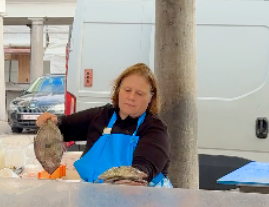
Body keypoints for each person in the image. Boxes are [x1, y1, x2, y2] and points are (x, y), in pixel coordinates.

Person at [37, 63, 171, 187]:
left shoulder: (155, 128)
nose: (131, 97)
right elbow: (63, 127)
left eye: (139, 93)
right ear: (118, 90)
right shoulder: (101, 116)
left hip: (141, 202)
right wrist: (50, 122)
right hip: (93, 199)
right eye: (127, 90)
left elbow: (143, 168)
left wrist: (131, 181)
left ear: (151, 98)